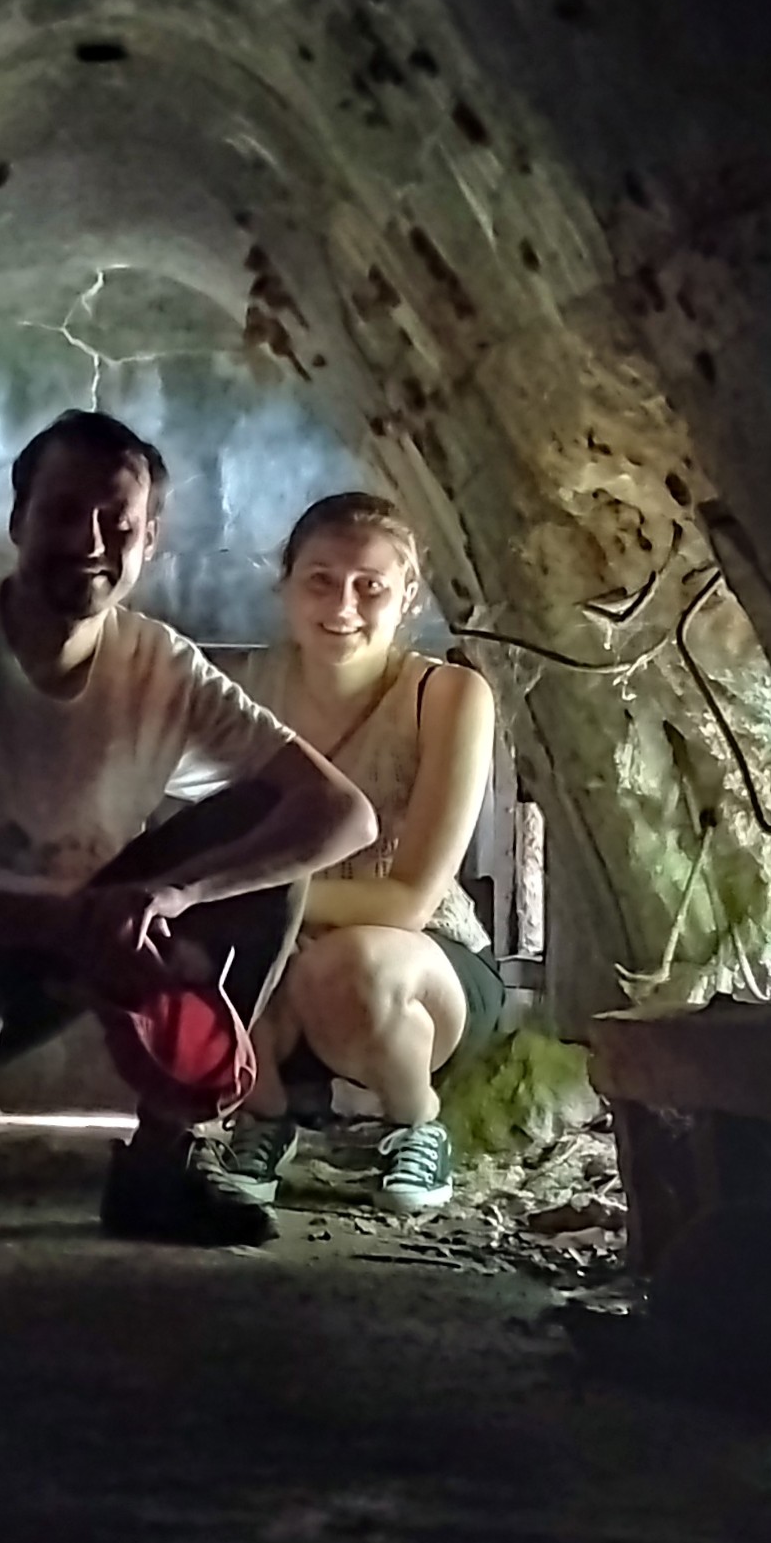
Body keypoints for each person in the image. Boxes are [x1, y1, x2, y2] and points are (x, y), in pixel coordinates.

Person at [0, 411, 376, 1245]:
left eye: (117, 521)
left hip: (65, 943)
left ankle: (159, 1169)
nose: (90, 540)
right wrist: (65, 915)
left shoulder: (159, 665)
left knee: (270, 853)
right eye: (63, 513)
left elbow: (340, 812)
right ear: (17, 520)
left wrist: (171, 894)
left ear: (149, 540)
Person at [201, 493, 501, 1214]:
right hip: (274, 959)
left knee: (350, 963)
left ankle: (418, 1122)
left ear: (407, 597)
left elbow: (410, 899)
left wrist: (253, 891)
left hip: (417, 964)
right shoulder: (237, 692)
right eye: (320, 580)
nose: (344, 604)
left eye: (370, 586)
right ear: (285, 586)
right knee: (182, 952)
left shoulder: (449, 695)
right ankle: (265, 1117)